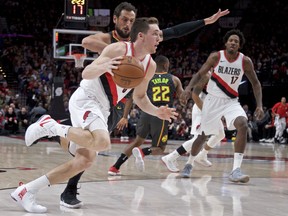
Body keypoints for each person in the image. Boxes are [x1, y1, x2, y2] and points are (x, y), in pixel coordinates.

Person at [57, 3, 229, 208]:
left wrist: (205, 22)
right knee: (87, 146)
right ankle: (68, 180)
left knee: (91, 146)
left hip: (117, 102)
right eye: (124, 19)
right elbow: (86, 41)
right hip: (96, 93)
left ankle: (65, 158)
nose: (128, 23)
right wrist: (114, 51)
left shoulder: (145, 40)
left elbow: (174, 32)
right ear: (115, 20)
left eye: (131, 20)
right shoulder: (113, 41)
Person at [10, 17, 178, 213]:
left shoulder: (149, 65)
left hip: (104, 107)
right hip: (87, 98)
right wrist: (104, 66)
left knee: (84, 160)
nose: (160, 37)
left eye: (160, 34)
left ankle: (26, 192)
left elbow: (140, 98)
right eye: (155, 34)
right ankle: (50, 125)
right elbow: (87, 72)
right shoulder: (119, 49)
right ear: (141, 36)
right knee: (102, 142)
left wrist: (157, 111)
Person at [180, 29, 264, 183]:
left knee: (243, 124)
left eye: (236, 41)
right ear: (226, 43)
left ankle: (236, 170)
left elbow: (256, 84)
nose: (233, 42)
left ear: (239, 46)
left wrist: (259, 105)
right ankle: (189, 164)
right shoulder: (216, 57)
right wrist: (187, 89)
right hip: (212, 100)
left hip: (231, 101)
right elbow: (199, 74)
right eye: (231, 40)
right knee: (202, 136)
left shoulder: (245, 61)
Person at [108, 55, 184, 175]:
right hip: (161, 113)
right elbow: (183, 99)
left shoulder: (146, 78)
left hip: (146, 112)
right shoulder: (174, 80)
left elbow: (131, 98)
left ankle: (115, 167)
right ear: (166, 65)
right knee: (159, 148)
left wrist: (124, 116)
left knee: (137, 140)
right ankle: (143, 152)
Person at [161, 72, 225, 176]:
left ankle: (202, 155)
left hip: (212, 110)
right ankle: (170, 157)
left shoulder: (221, 77)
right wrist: (187, 90)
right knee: (197, 139)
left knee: (221, 134)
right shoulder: (207, 75)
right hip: (201, 109)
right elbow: (196, 81)